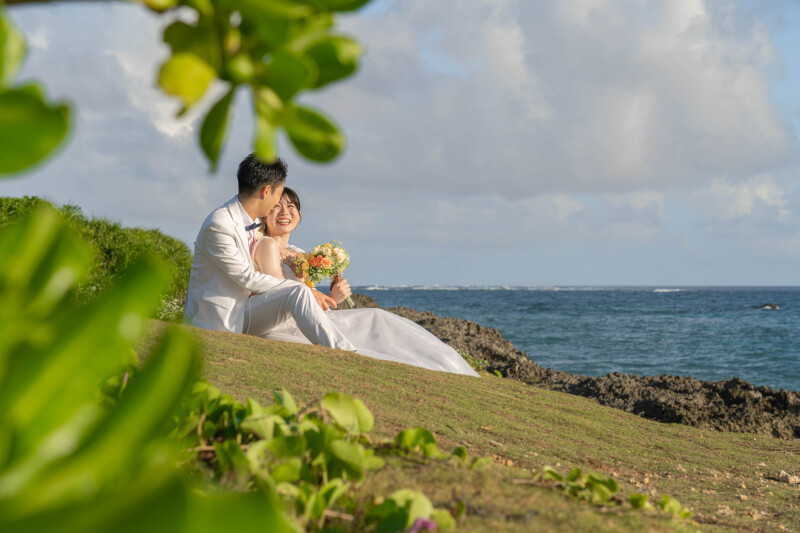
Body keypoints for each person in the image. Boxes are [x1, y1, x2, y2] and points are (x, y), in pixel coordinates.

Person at [251, 187, 479, 377]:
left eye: (291, 206)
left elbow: (310, 303)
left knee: (379, 318)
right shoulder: (266, 245)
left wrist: (333, 297)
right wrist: (315, 293)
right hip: (281, 324)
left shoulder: (299, 254)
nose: (285, 212)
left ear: (299, 216)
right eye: (276, 206)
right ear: (263, 216)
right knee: (374, 322)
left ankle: (446, 364)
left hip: (305, 318)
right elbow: (281, 292)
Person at [183, 154, 355, 351]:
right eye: (278, 194)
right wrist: (308, 290)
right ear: (266, 191)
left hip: (245, 310)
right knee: (297, 291)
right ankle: (343, 352)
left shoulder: (254, 222)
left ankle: (342, 350)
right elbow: (247, 278)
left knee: (296, 291)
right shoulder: (220, 224)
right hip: (219, 318)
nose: (277, 204)